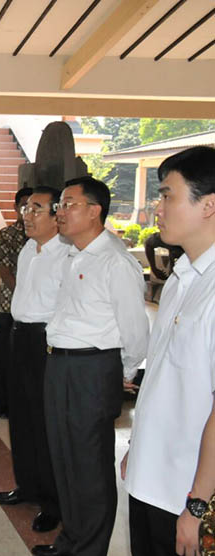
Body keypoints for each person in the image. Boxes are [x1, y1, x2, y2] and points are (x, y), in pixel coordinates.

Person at [33, 176, 149, 556]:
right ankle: (71, 540)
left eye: (69, 204)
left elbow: (135, 329)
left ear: (95, 211)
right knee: (64, 459)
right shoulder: (74, 253)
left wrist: (125, 373)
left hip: (92, 369)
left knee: (89, 466)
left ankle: (89, 549)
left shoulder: (115, 260)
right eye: (60, 206)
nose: (60, 212)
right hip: (61, 364)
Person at [123, 146, 215, 556]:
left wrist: (198, 506)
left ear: (209, 205)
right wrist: (136, 451)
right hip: (150, 479)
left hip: (188, 493)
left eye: (167, 195)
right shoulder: (180, 277)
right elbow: (162, 376)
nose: (156, 208)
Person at [0, 187, 66, 534]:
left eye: (36, 209)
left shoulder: (66, 254)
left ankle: (52, 502)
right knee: (19, 417)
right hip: (19, 335)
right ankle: (27, 485)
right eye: (25, 208)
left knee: (44, 422)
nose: (27, 215)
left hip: (46, 342)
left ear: (56, 215)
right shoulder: (27, 250)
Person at [0, 187, 32, 418]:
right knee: (7, 356)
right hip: (11, 305)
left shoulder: (48, 237)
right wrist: (26, 295)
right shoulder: (7, 235)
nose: (29, 212)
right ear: (17, 208)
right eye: (25, 206)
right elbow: (5, 271)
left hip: (39, 313)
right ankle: (4, 401)